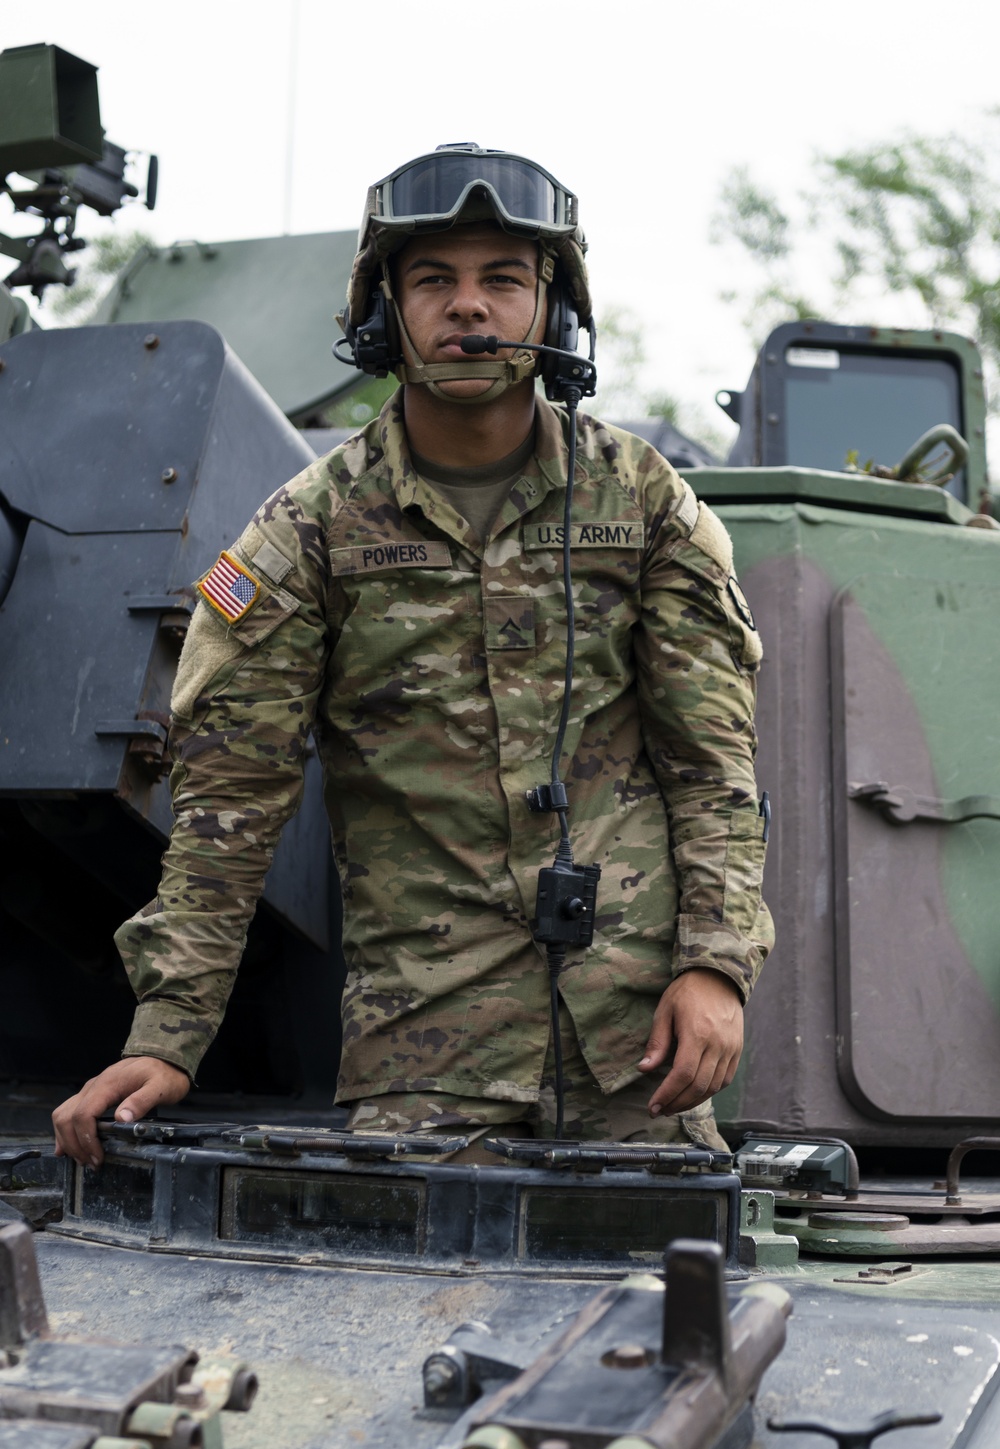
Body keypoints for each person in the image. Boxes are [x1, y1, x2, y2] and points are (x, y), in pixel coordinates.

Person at [52, 144, 773, 1167]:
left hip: (641, 1042)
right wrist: (169, 1036)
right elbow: (230, 804)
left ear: (551, 310)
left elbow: (714, 771)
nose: (469, 310)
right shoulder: (309, 530)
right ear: (385, 311)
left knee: (672, 1314)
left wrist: (716, 967)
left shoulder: (642, 500)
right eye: (434, 280)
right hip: (429, 1048)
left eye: (503, 281)